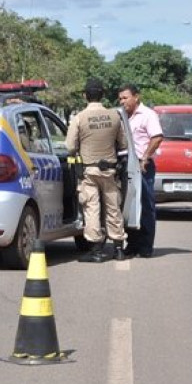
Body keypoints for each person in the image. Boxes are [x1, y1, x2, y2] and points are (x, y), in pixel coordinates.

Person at [65, 78, 128, 263]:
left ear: (85, 95)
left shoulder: (79, 118)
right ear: (103, 94)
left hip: (89, 172)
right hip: (110, 170)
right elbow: (123, 144)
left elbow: (69, 146)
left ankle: (96, 251)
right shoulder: (115, 116)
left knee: (92, 208)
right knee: (113, 208)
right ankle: (118, 249)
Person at [118, 84, 163, 258]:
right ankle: (132, 244)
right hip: (125, 165)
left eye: (125, 97)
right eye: (120, 98)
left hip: (142, 166)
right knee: (128, 207)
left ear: (136, 97)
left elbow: (157, 137)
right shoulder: (121, 116)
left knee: (145, 206)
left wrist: (145, 157)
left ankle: (145, 246)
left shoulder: (148, 115)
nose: (122, 101)